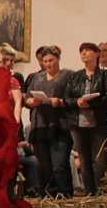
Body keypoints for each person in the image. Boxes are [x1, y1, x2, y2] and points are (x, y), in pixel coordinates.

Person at [64, 43, 107, 195]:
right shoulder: (75, 76)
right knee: (85, 161)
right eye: (81, 51)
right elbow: (66, 98)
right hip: (78, 123)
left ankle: (102, 194)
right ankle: (89, 195)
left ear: (96, 54)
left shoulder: (105, 75)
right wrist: (78, 102)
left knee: (100, 161)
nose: (84, 53)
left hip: (99, 123)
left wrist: (91, 104)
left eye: (87, 50)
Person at [24, 46, 74, 197]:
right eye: (45, 61)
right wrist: (32, 101)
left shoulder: (68, 75)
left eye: (51, 60)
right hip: (40, 125)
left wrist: (60, 102)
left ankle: (65, 196)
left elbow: (73, 99)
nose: (48, 64)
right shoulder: (37, 78)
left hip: (60, 125)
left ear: (58, 59)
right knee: (45, 166)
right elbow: (27, 99)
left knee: (59, 165)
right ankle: (48, 197)